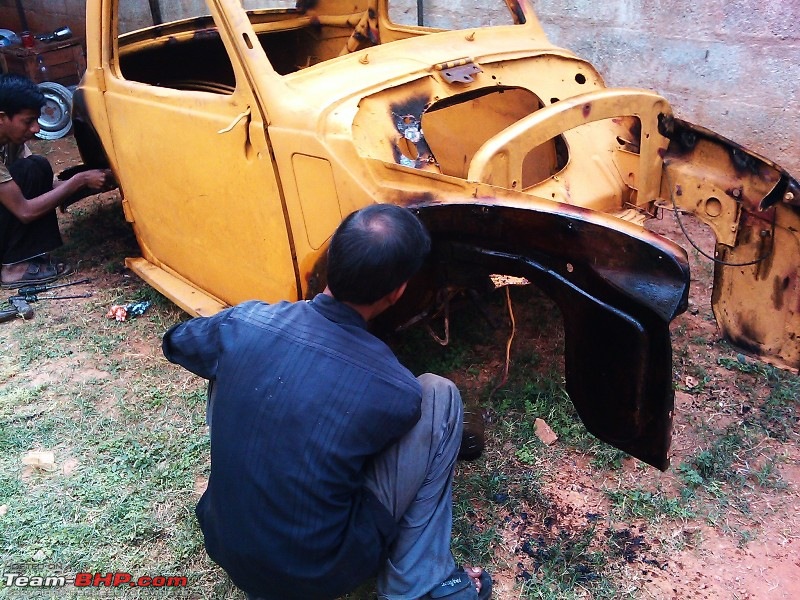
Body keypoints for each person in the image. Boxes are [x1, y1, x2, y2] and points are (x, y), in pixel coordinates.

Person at [162, 204, 492, 600]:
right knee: (440, 394)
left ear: (331, 258)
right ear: (398, 291)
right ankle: (420, 584)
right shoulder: (396, 389)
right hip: (318, 575)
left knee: (229, 357)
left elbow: (176, 342)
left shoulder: (246, 321)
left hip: (227, 545)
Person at [0, 73, 113, 288]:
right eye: (27, 121)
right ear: (2, 117)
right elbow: (25, 210)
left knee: (35, 167)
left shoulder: (9, 139)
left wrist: (91, 184)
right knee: (33, 167)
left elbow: (37, 187)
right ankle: (13, 269)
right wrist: (79, 179)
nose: (36, 129)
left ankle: (24, 258)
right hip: (18, 211)